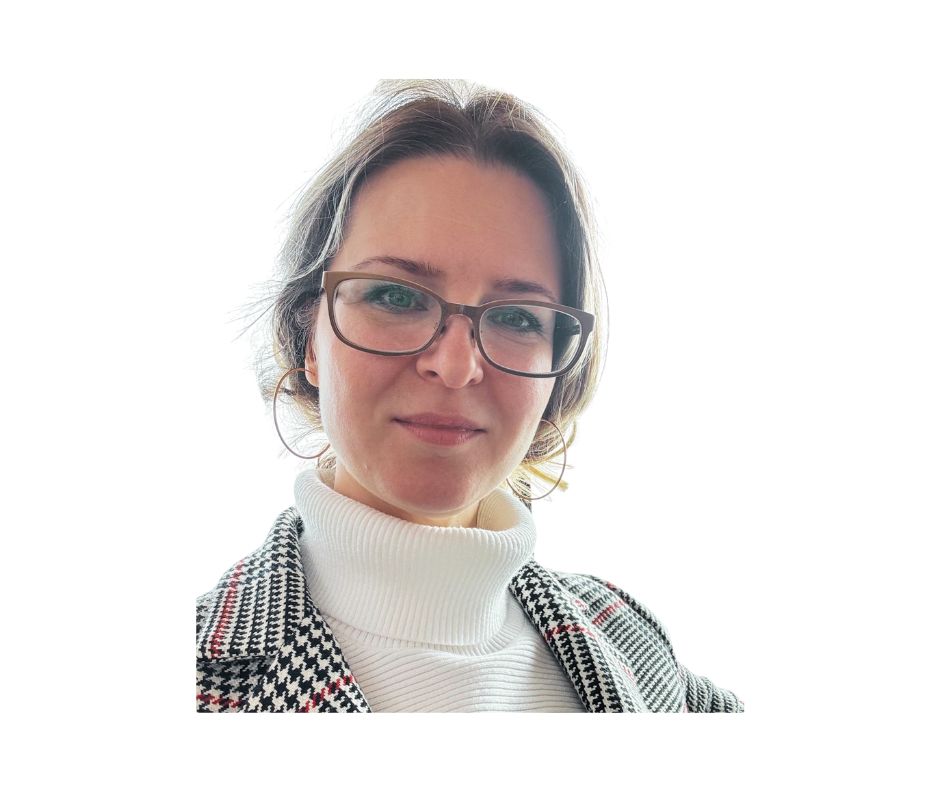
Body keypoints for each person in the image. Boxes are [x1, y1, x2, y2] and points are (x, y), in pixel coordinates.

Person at [195, 79, 744, 713]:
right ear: (308, 338)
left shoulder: (633, 645)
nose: (456, 368)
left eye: (516, 317)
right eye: (395, 296)